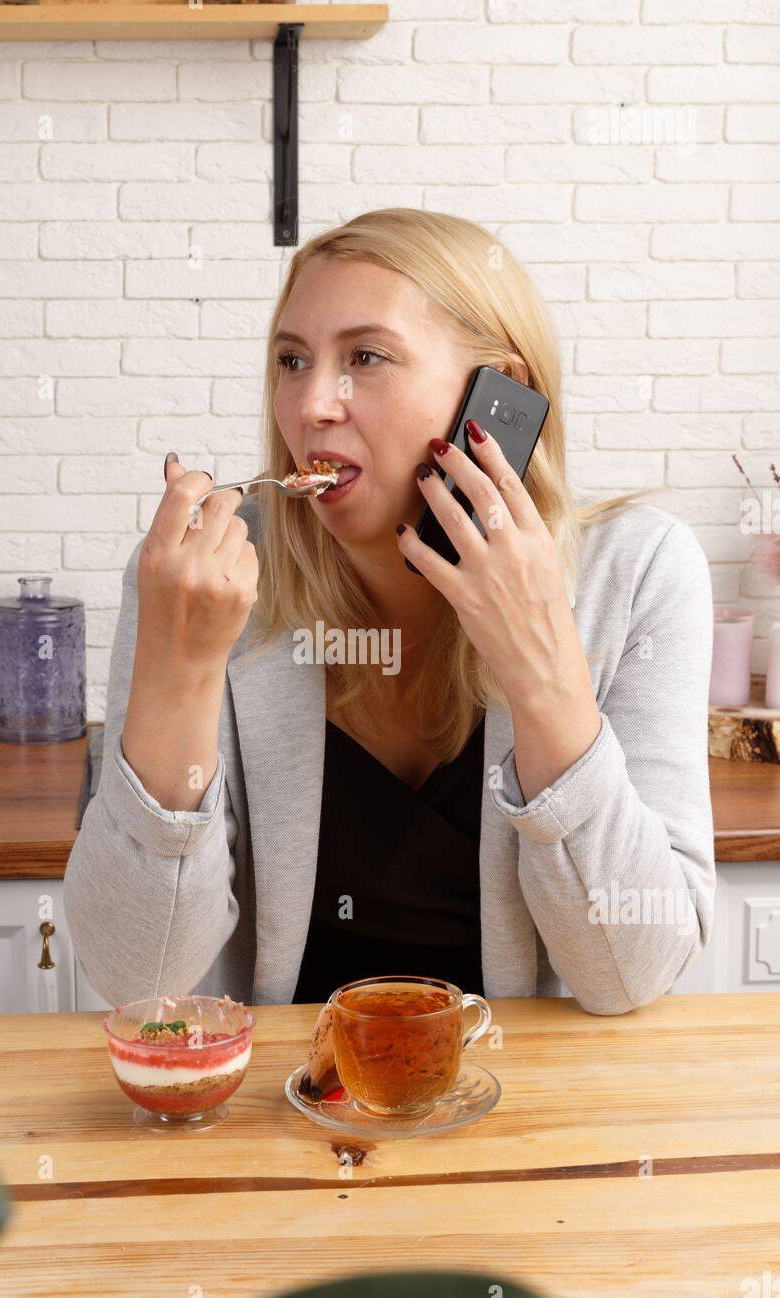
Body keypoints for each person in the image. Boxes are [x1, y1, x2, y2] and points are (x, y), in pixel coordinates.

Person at [64, 208, 715, 1013]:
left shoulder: (640, 572)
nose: (312, 407)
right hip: (280, 1110)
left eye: (365, 357)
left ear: (497, 397)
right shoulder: (202, 580)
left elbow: (632, 972)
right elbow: (137, 976)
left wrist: (541, 672)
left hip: (534, 1112)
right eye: (292, 361)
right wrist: (180, 673)